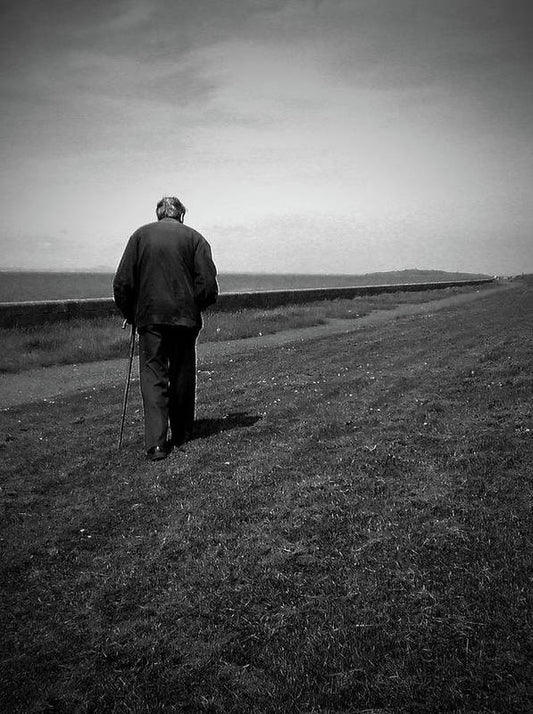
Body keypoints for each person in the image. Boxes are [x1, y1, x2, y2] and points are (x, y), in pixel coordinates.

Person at [113, 196, 218, 461]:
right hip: (184, 319)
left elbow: (123, 283)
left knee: (153, 375)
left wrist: (131, 313)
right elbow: (207, 286)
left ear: (159, 214)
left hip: (150, 318)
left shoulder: (140, 236)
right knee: (182, 374)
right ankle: (182, 434)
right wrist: (195, 306)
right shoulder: (196, 239)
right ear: (181, 215)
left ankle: (157, 444)